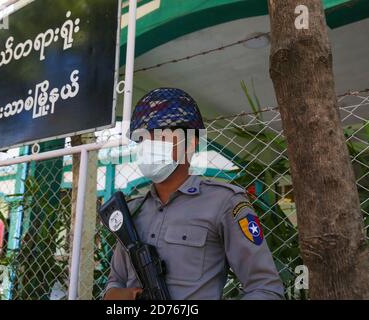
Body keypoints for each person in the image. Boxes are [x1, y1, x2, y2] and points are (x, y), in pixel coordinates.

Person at [103, 88, 284, 300]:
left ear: (189, 143)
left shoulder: (223, 202)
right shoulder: (132, 210)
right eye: (143, 139)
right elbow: (114, 283)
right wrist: (130, 297)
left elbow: (264, 288)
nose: (149, 146)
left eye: (161, 135)